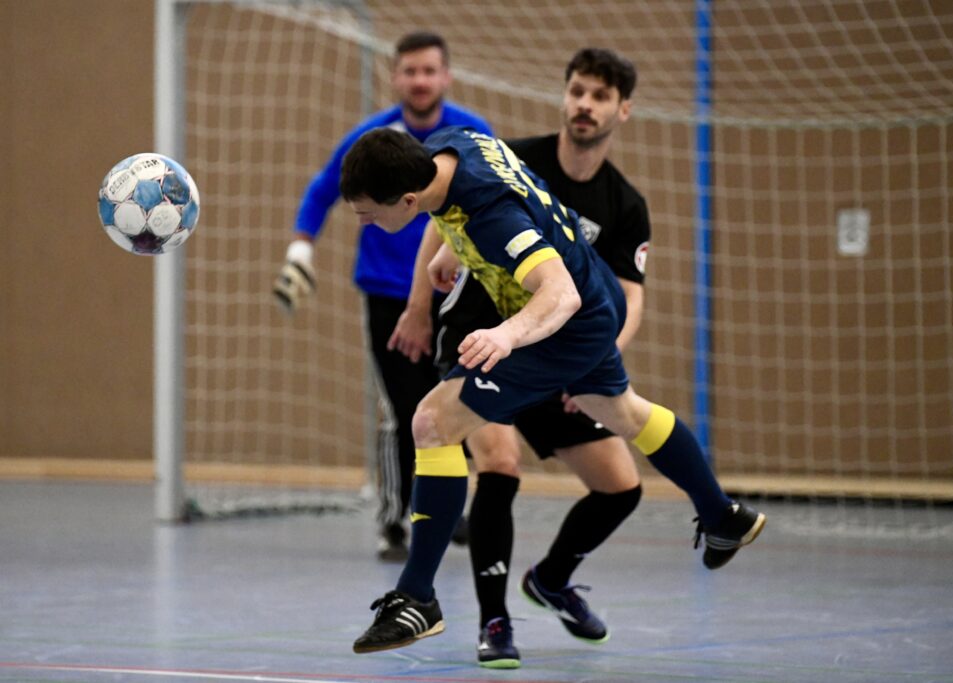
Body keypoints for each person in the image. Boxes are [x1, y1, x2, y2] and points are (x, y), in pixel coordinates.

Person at [340, 125, 766, 656]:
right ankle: (722, 515)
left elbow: (556, 292)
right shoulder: (454, 145)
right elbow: (462, 208)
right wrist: (453, 246)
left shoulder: (491, 217)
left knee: (432, 422)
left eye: (368, 215)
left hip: (562, 320)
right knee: (624, 413)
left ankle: (417, 596)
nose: (367, 224)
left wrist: (505, 334)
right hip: (596, 298)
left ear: (405, 200)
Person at [389, 48, 650, 669]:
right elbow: (436, 210)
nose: (584, 105)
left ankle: (552, 579)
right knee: (499, 465)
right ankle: (494, 621)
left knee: (620, 488)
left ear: (622, 110)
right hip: (487, 340)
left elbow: (630, 300)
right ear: (564, 96)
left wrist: (590, 361)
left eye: (599, 96)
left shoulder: (624, 205)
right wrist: (420, 305)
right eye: (577, 91)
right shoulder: (512, 159)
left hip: (560, 353)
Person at [272, 32, 492, 561]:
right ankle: (394, 521)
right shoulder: (372, 138)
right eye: (410, 71)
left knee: (455, 400)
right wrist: (300, 249)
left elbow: (491, 198)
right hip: (386, 294)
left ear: (446, 77)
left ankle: (446, 506)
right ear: (395, 78)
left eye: (429, 71)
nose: (419, 80)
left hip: (455, 291)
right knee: (400, 409)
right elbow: (324, 189)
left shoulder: (470, 133)